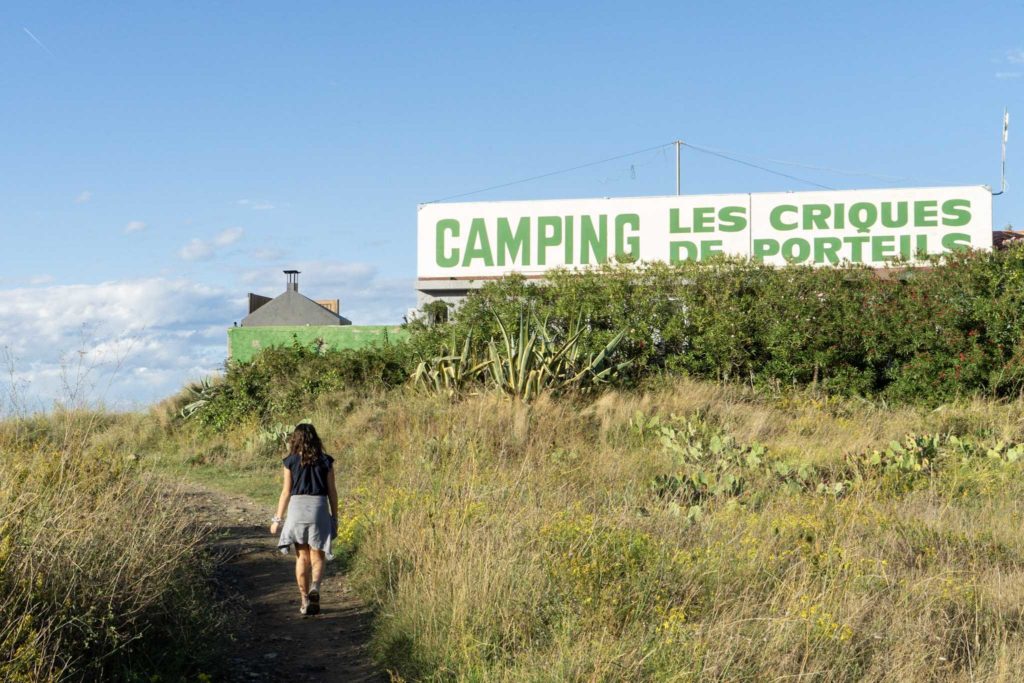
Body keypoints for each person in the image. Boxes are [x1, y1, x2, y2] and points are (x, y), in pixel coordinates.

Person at [269, 423, 338, 616]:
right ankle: (315, 586)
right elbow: (332, 492)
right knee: (318, 555)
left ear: (295, 439)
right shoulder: (326, 461)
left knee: (302, 557)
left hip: (297, 510)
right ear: (315, 439)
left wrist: (277, 519)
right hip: (319, 508)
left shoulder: (290, 461)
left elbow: (285, 492)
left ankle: (304, 600)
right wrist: (335, 518)